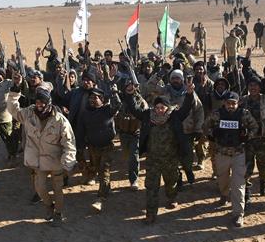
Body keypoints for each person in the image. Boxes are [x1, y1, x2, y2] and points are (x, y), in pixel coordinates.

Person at [122, 79, 195, 224]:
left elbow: (186, 108)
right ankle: (151, 213)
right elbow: (135, 109)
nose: (160, 110)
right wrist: (130, 95)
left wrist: (190, 94)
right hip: (153, 160)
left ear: (167, 108)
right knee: (151, 187)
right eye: (157, 107)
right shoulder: (148, 116)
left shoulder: (174, 117)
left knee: (171, 183)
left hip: (171, 159)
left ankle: (172, 197)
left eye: (163, 107)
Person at [8, 85, 77, 226]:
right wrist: (15, 92)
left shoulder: (59, 120)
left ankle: (58, 213)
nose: (39, 105)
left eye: (42, 103)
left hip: (56, 161)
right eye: (37, 102)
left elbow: (69, 142)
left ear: (48, 103)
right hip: (38, 162)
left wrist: (68, 161)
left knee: (58, 189)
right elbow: (13, 111)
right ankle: (48, 206)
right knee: (40, 188)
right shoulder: (28, 113)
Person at [205, 91, 258, 227]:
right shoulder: (217, 114)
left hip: (238, 154)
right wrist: (212, 134)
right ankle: (224, 194)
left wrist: (247, 136)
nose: (231, 106)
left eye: (233, 103)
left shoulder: (244, 114)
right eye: (228, 103)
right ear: (224, 103)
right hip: (221, 153)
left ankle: (238, 214)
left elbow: (255, 127)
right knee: (222, 179)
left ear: (238, 103)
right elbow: (205, 127)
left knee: (238, 184)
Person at [76, 87, 121, 212]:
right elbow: (81, 131)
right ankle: (106, 188)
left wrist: (114, 92)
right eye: (90, 97)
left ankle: (101, 198)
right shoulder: (85, 113)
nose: (92, 100)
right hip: (92, 147)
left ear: (101, 100)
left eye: (95, 97)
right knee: (95, 168)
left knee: (103, 170)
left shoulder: (107, 110)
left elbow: (118, 105)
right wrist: (79, 148)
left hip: (107, 146)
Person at [116, 78, 146, 190]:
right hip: (124, 133)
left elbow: (144, 115)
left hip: (135, 133)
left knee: (134, 157)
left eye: (131, 85)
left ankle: (133, 180)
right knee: (127, 156)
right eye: (127, 86)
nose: (129, 88)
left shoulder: (140, 101)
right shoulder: (119, 100)